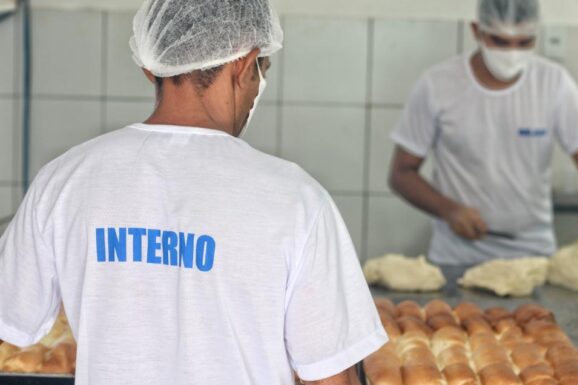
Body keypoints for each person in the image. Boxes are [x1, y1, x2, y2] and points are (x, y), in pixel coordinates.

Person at [0, 0, 387, 384]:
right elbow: (330, 379)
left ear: (152, 66)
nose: (256, 90)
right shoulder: (298, 200)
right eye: (261, 71)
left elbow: (12, 320)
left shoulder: (66, 181)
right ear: (243, 64)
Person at [389, 0, 578, 265]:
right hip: (457, 258)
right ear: (477, 31)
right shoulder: (437, 85)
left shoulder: (553, 83)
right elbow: (401, 173)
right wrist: (448, 210)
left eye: (524, 43)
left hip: (533, 257)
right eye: (500, 41)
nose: (512, 52)